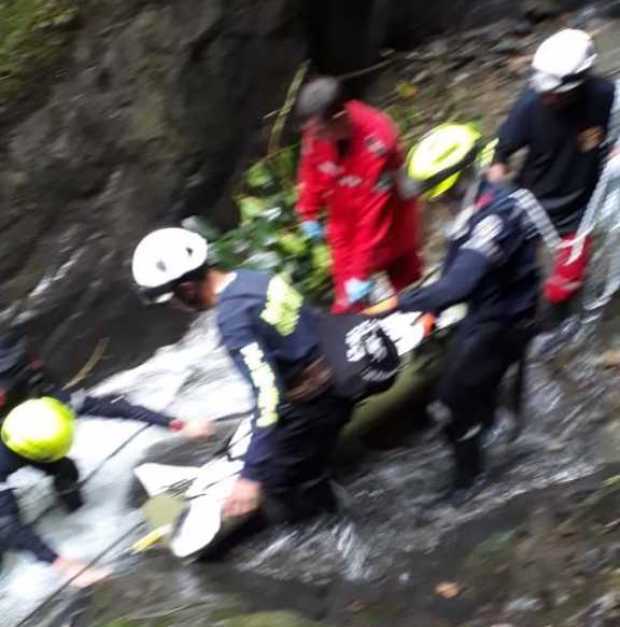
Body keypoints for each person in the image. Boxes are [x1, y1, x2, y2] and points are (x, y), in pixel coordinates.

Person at [131, 228, 362, 527]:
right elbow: (311, 321)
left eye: (172, 299)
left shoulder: (232, 318)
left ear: (187, 288)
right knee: (254, 443)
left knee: (277, 485)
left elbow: (269, 397)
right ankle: (159, 513)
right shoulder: (253, 279)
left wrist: (251, 478)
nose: (176, 307)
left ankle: (333, 530)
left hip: (315, 404)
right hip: (332, 379)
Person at [381, 124, 540, 503]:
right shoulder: (479, 204)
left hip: (502, 320)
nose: (428, 202)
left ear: (450, 185)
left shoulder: (490, 218)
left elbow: (457, 286)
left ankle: (468, 483)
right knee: (477, 391)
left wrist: (397, 303)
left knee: (451, 402)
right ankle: (494, 430)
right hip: (495, 306)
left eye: (432, 194)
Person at [0, 330, 212, 587]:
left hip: (25, 437)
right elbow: (8, 525)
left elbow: (114, 407)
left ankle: (74, 514)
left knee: (66, 471)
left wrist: (179, 424)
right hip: (12, 451)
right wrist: (63, 565)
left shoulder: (51, 401)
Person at [488, 29, 619, 320]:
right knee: (503, 268)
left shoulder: (604, 96)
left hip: (580, 211)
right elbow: (501, 153)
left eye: (554, 93)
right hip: (532, 204)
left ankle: (555, 321)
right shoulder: (530, 104)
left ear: (580, 82)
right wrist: (494, 191)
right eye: (543, 90)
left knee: (564, 286)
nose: (546, 97)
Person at [295, 76, 423, 314]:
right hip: (344, 223)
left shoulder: (378, 142)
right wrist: (308, 211)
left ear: (339, 118)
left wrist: (360, 273)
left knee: (409, 288)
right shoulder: (315, 134)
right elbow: (310, 168)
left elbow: (373, 216)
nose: (313, 138)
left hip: (391, 223)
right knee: (347, 307)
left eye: (319, 132)